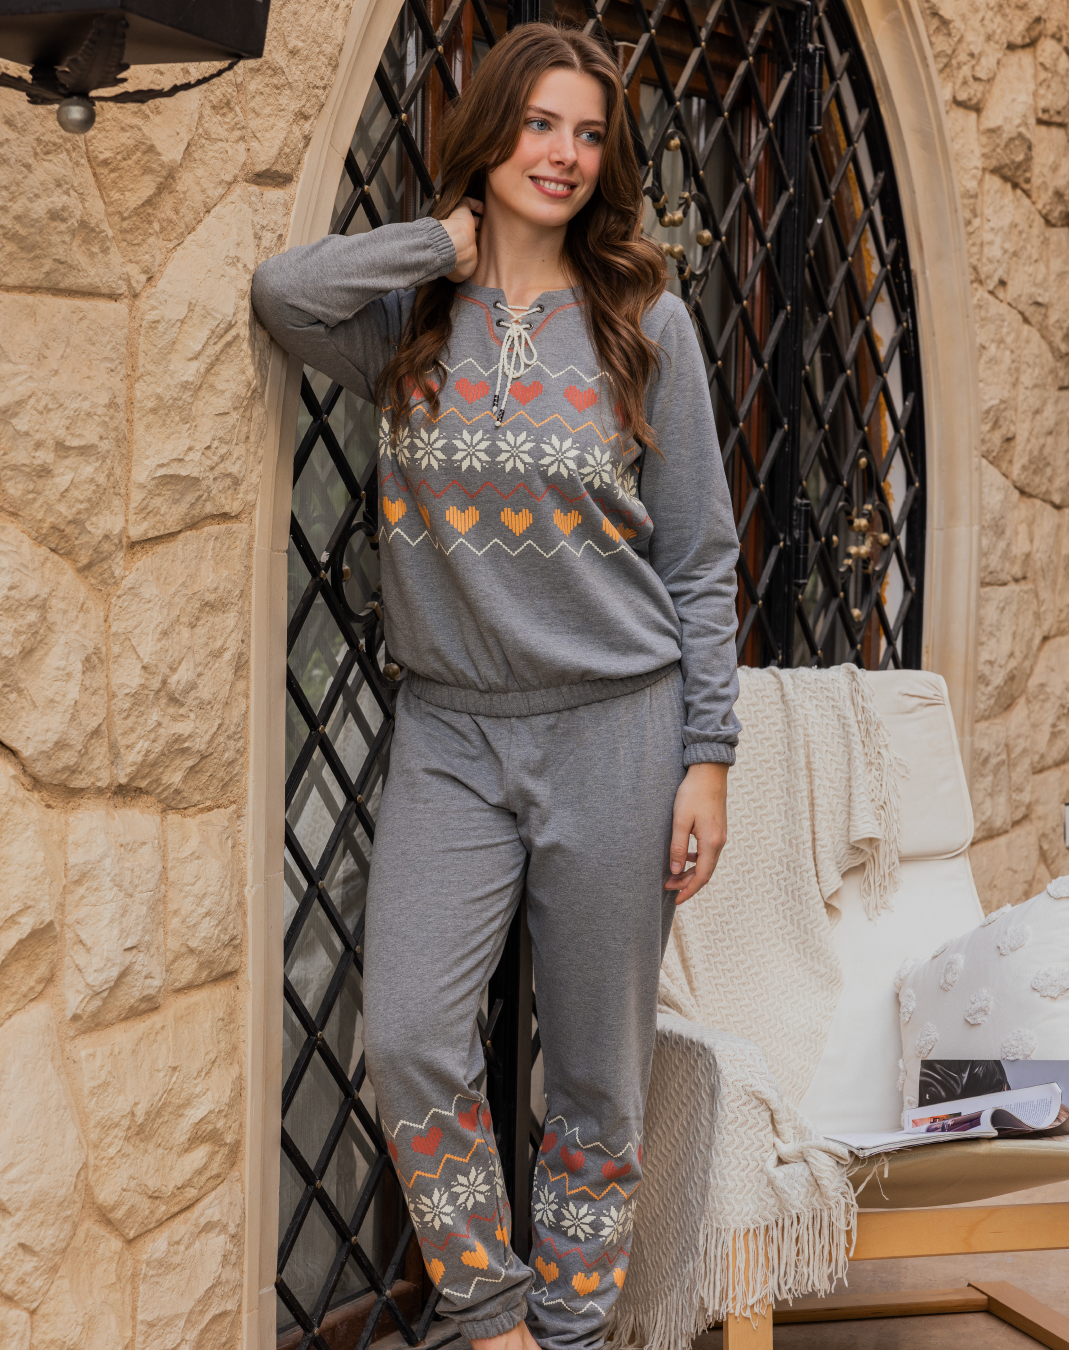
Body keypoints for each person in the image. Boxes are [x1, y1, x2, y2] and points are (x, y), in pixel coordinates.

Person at [252, 23, 740, 1350]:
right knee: (410, 1030)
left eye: (589, 133)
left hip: (619, 730)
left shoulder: (646, 325)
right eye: (538, 124)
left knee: (595, 1074)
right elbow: (284, 293)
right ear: (489, 137)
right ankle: (488, 1313)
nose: (564, 155)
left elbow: (700, 559)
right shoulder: (410, 322)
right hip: (451, 730)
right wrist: (438, 244)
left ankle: (570, 1332)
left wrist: (707, 755)